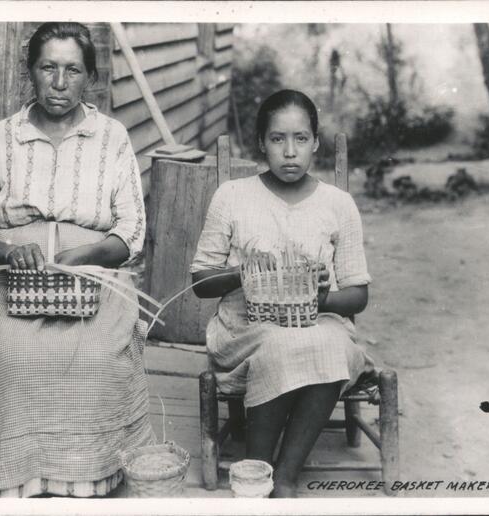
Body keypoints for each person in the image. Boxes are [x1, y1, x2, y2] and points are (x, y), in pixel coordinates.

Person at [0, 22, 154, 498]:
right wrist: (10, 251)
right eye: (47, 68)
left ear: (89, 76)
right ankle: (10, 477)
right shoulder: (2, 137)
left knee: (94, 356)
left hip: (93, 279)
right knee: (13, 355)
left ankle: (84, 476)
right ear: (30, 73)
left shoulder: (111, 137)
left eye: (72, 70)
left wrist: (92, 253)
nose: (59, 83)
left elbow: (132, 230)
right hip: (10, 279)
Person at [190, 89, 374, 497]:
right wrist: (244, 273)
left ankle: (286, 478)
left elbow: (358, 294)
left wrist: (321, 298)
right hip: (245, 328)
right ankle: (256, 473)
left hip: (318, 322)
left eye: (301, 139)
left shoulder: (338, 204)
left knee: (326, 344)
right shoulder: (233, 196)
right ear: (261, 143)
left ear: (315, 143)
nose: (290, 152)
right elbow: (200, 282)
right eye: (277, 139)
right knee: (279, 345)